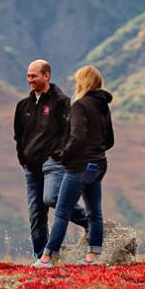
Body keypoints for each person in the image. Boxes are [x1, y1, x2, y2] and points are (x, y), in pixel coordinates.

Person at [35, 65, 114, 267]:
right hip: (99, 164)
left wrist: (63, 156)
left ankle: (47, 258)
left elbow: (77, 137)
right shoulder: (103, 105)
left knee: (61, 212)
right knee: (94, 212)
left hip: (79, 166)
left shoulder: (80, 105)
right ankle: (92, 257)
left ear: (84, 82)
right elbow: (110, 140)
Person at [13, 59, 84, 258]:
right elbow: (18, 136)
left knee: (52, 197)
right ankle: (42, 259)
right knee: (36, 214)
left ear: (47, 75)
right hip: (31, 166)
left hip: (53, 162)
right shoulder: (23, 106)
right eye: (28, 76)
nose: (30, 80)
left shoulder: (61, 102)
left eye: (34, 76)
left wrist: (58, 155)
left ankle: (91, 222)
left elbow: (70, 132)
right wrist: (23, 158)